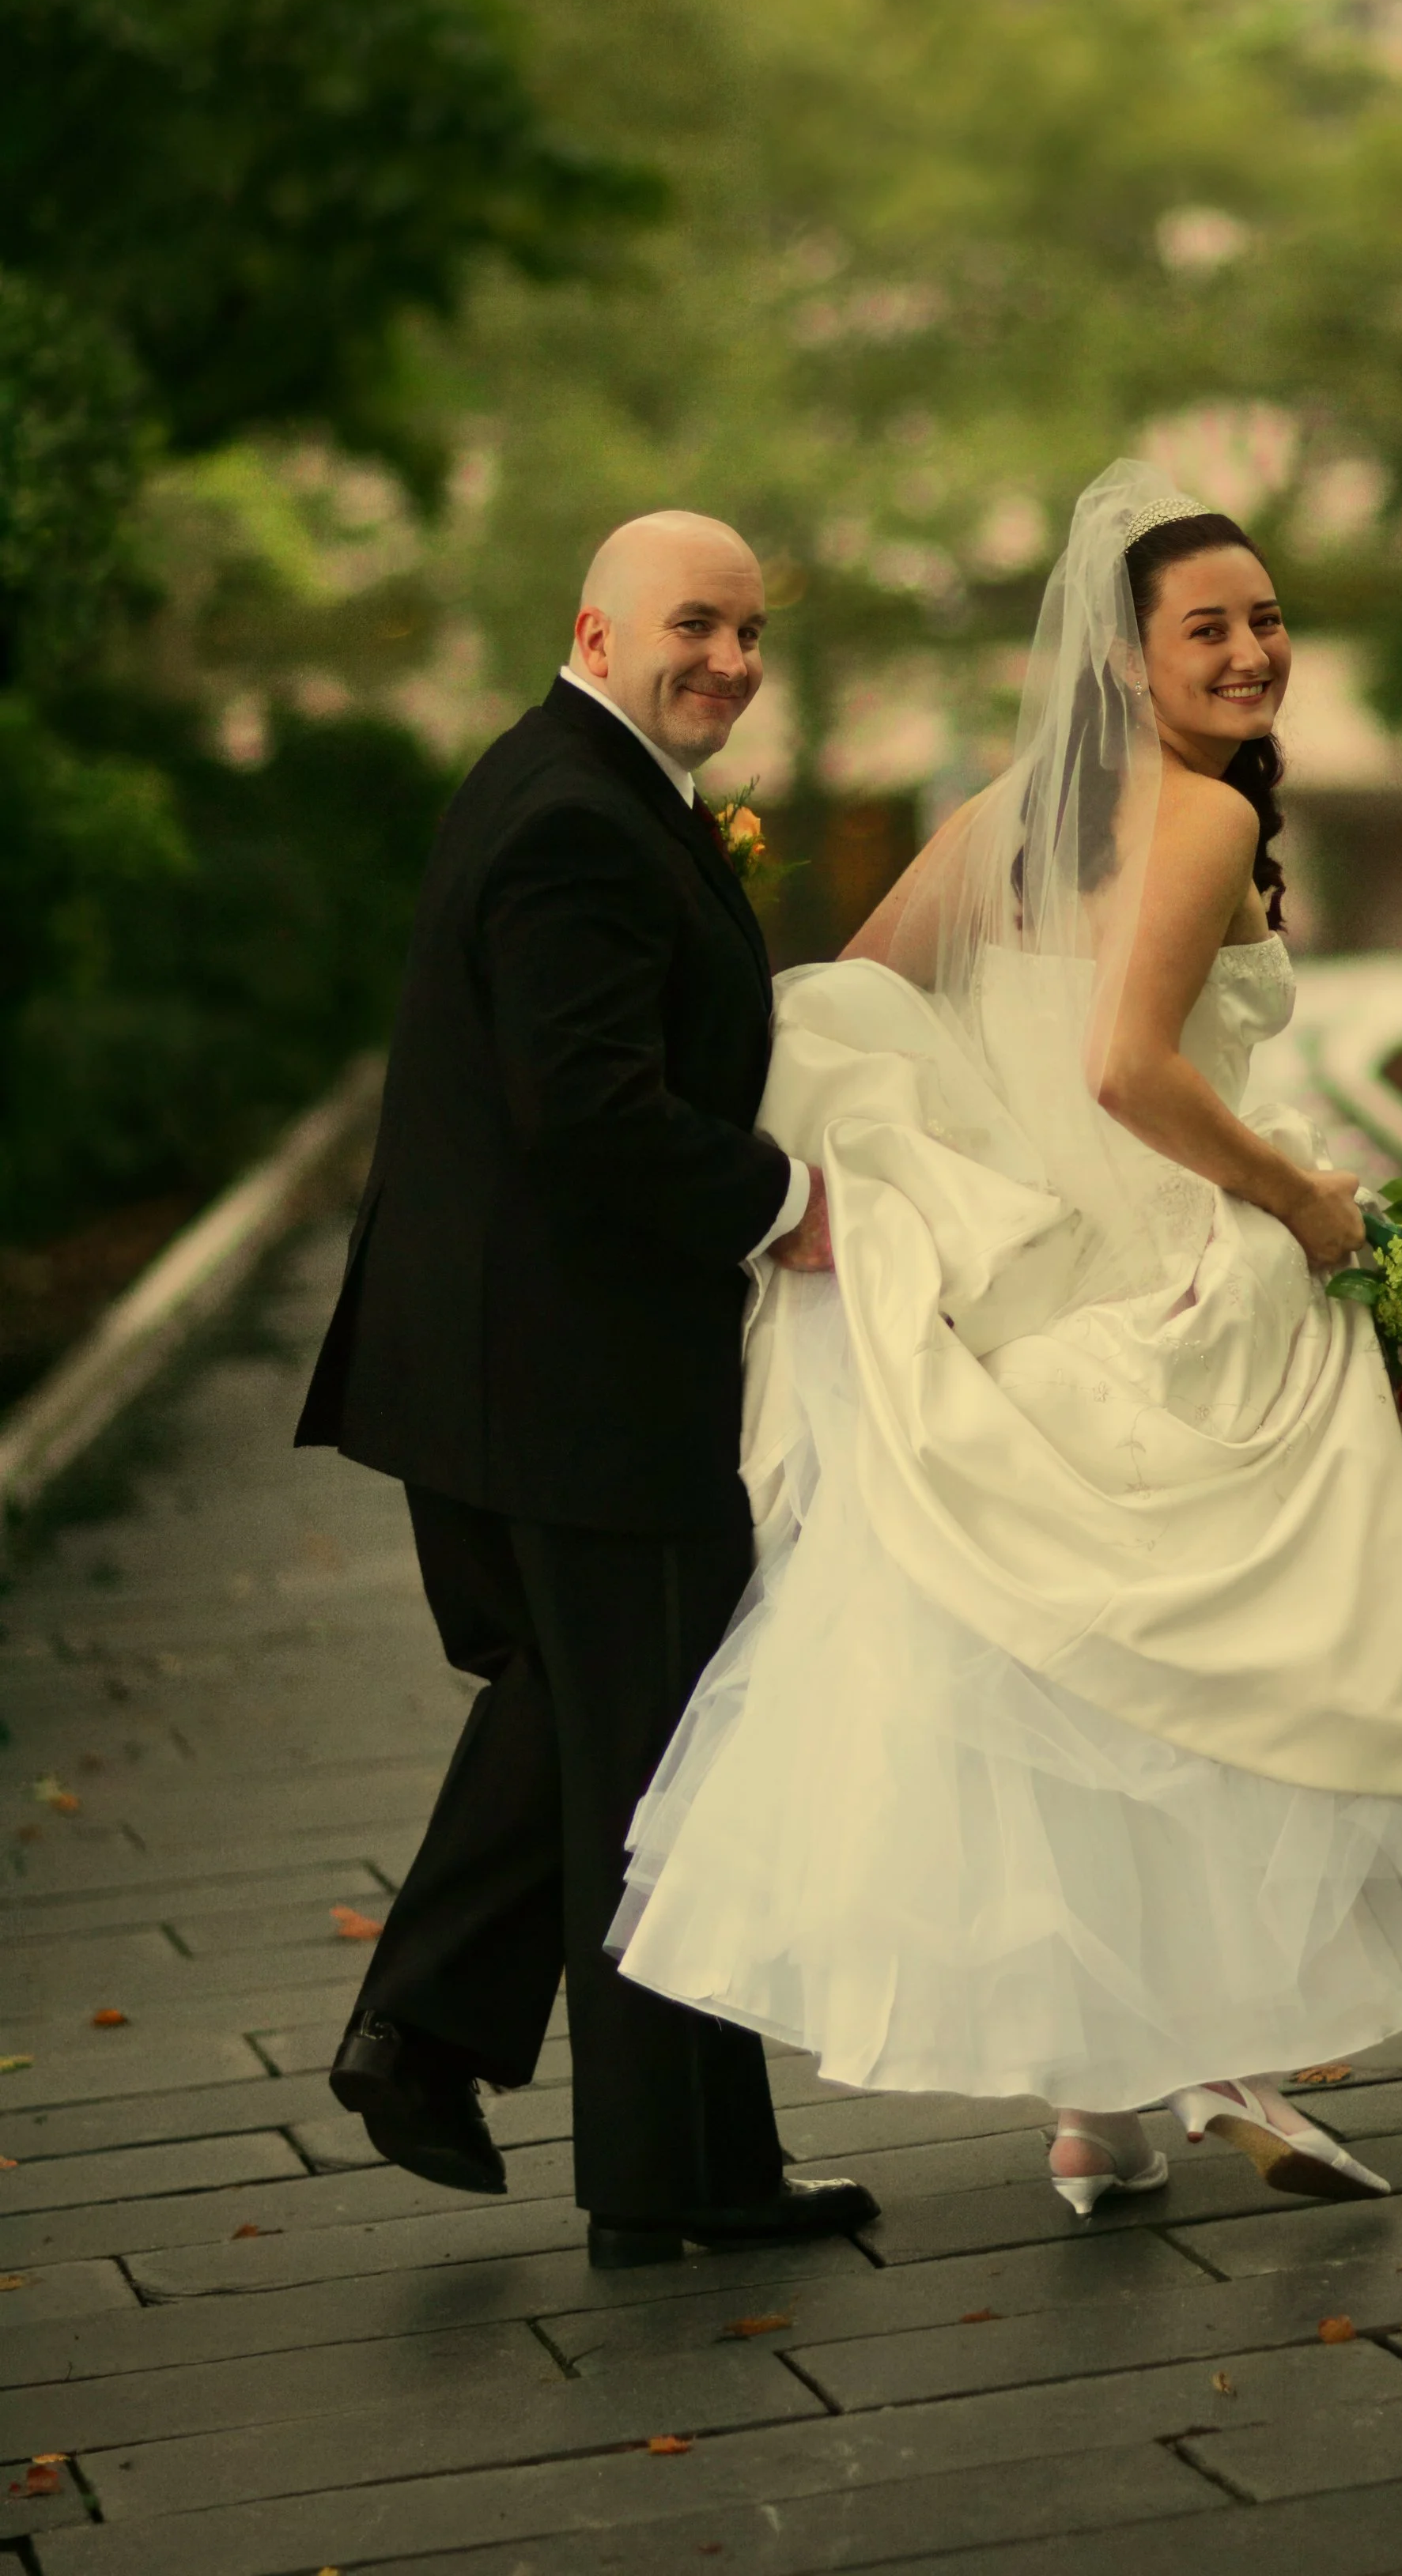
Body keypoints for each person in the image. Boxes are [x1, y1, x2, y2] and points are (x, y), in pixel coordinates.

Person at [609, 461, 1402, 2223]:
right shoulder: (1197, 819)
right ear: (1123, 662)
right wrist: (1308, 1206)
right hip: (1177, 1269)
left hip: (1036, 1289)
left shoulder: (1005, 818)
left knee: (1095, 1686)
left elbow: (857, 999)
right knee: (1248, 1680)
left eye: (1268, 619)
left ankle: (1094, 2111)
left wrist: (950, 1184)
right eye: (1207, 627)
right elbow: (1133, 1071)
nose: (1252, 651)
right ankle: (1212, 2054)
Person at [295, 509, 874, 2268]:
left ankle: (435, 2040)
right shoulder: (574, 817)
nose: (732, 658)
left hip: (533, 1360)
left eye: (753, 630)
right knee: (659, 1747)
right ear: (599, 629)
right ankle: (665, 2175)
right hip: (564, 1375)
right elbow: (588, 1110)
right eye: (697, 624)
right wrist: (789, 1207)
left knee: (596, 1708)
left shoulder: (584, 779)